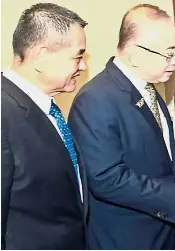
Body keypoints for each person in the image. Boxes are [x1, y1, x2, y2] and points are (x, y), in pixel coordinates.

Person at [68, 4, 175, 250]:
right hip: (125, 239)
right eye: (168, 53)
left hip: (160, 231)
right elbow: (107, 179)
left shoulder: (148, 90)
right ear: (135, 54)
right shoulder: (96, 99)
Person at [1, 3, 88, 249]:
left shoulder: (45, 105)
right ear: (40, 56)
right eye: (78, 56)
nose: (83, 66)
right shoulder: (3, 114)